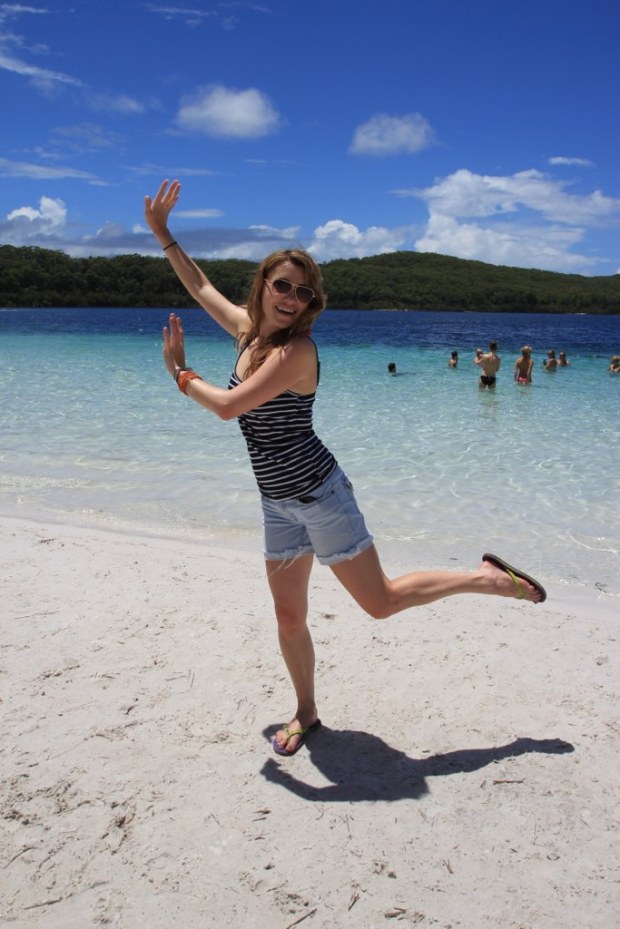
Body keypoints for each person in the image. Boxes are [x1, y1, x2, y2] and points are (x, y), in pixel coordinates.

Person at [144, 179, 547, 757]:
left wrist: (179, 373)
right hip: (276, 502)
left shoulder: (296, 352)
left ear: (311, 305)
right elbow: (201, 283)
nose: (291, 296)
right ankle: (306, 712)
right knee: (288, 617)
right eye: (282, 285)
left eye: (303, 293)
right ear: (262, 286)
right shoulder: (247, 333)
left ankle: (485, 578)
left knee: (380, 603)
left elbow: (230, 407)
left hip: (319, 494)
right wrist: (163, 236)